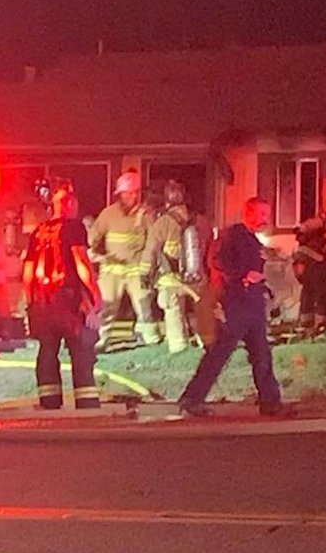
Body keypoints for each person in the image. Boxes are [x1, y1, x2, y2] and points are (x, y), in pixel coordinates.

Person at [178, 197, 293, 417]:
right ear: (247, 213)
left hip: (253, 305)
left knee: (261, 354)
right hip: (234, 304)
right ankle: (192, 399)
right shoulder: (231, 235)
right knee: (219, 353)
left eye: (267, 215)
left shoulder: (253, 241)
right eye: (261, 214)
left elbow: (253, 271)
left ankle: (270, 402)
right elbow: (216, 261)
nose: (265, 219)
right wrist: (241, 276)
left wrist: (263, 287)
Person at [23, 182, 103, 410]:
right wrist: (94, 295)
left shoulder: (37, 232)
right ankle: (86, 404)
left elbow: (28, 273)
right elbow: (81, 264)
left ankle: (49, 402)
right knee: (82, 350)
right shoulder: (74, 227)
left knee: (47, 351)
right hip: (67, 301)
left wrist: (30, 304)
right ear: (68, 204)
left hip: (41, 302)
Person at [89, 170, 161, 350]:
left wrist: (146, 266)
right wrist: (97, 254)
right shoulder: (108, 214)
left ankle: (149, 337)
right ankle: (100, 339)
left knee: (144, 303)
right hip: (112, 269)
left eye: (136, 192)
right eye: (129, 193)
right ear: (120, 194)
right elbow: (93, 238)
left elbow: (153, 240)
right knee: (107, 305)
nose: (134, 196)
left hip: (136, 269)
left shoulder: (146, 215)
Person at [145, 180, 198, 354]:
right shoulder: (198, 220)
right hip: (195, 274)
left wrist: (145, 273)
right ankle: (205, 339)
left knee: (172, 306)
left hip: (171, 277)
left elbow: (152, 250)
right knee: (199, 309)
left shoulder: (163, 223)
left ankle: (179, 345)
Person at [293, 215, 326, 333]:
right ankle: (321, 323)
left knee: (308, 294)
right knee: (323, 294)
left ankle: (306, 324)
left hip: (310, 270)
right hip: (320, 270)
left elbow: (299, 267)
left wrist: (300, 276)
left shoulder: (304, 246)